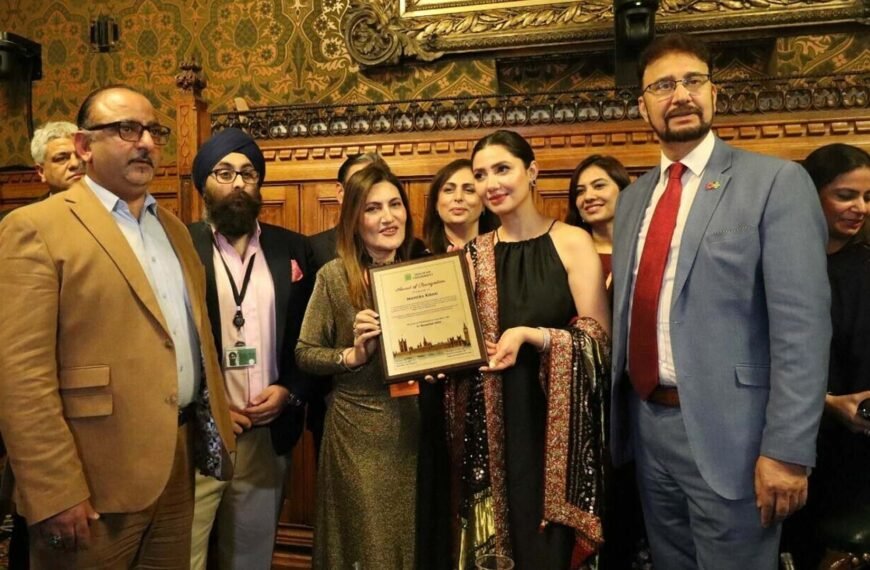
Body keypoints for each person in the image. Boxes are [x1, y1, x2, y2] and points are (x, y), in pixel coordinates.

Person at [609, 34, 831, 570]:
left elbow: (802, 328)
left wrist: (787, 450)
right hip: (647, 427)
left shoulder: (774, 182)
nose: (679, 94)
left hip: (736, 438)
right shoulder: (633, 199)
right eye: (662, 85)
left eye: (693, 81)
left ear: (714, 93)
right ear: (643, 106)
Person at [0, 85, 235, 569]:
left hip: (176, 462)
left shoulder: (172, 228)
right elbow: (20, 377)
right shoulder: (35, 228)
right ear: (84, 147)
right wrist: (55, 490)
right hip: (92, 482)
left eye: (153, 130)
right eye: (127, 129)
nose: (145, 141)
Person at [445, 129, 611, 569]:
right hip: (490, 428)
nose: (491, 183)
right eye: (481, 174)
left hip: (552, 426)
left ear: (532, 172)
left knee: (546, 549)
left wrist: (535, 336)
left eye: (503, 169)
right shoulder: (471, 254)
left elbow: (599, 341)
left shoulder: (572, 242)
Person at [296, 162, 445, 569]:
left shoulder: (428, 272)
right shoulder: (333, 276)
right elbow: (305, 353)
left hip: (417, 427)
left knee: (415, 541)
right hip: (358, 432)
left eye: (395, 204)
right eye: (372, 208)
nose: (388, 217)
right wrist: (352, 355)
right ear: (353, 219)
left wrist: (443, 361)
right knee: (368, 545)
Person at [187, 128, 315, 569]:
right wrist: (212, 401)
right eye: (224, 173)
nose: (238, 184)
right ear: (203, 184)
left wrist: (289, 391)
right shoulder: (181, 247)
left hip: (265, 435)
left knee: (250, 560)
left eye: (249, 174)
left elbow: (307, 335)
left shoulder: (291, 248)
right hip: (197, 436)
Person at [0, 120, 85, 569]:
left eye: (77, 155)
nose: (73, 164)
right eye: (60, 158)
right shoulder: (18, 227)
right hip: (36, 394)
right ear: (39, 172)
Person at [784, 143, 870, 567]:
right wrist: (828, 403)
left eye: (868, 197)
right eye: (846, 195)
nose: (860, 208)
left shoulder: (866, 266)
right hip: (791, 438)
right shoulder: (778, 265)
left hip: (857, 449)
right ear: (812, 194)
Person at [565, 154, 630, 289]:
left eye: (599, 186)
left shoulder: (642, 248)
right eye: (580, 191)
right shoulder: (565, 253)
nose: (588, 197)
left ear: (624, 191)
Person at [422, 158, 497, 253]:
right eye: (449, 190)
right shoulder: (419, 259)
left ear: (484, 204)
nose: (458, 197)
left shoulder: (502, 252)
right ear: (436, 203)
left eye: (469, 190)